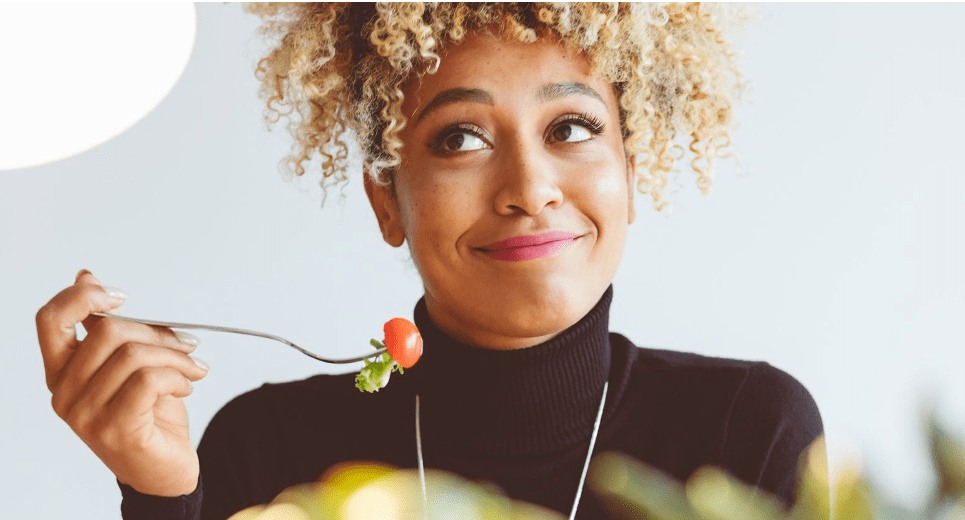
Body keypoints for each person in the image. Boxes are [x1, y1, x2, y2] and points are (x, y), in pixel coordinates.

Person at [35, 3, 825, 519]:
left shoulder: (744, 432)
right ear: (387, 199)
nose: (528, 190)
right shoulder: (266, 451)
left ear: (630, 166)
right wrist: (162, 496)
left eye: (572, 128)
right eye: (460, 138)